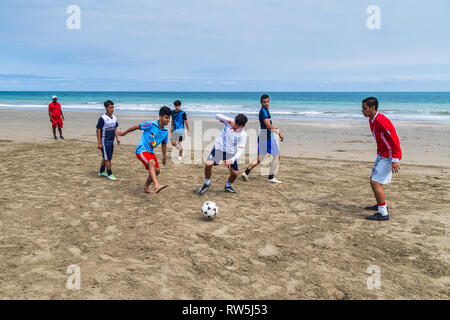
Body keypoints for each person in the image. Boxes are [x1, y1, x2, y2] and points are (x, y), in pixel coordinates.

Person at [361, 97, 402, 221]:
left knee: (376, 182)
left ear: (373, 108)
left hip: (389, 156)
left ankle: (383, 213)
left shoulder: (381, 120)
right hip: (381, 154)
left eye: (364, 108)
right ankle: (380, 204)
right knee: (373, 180)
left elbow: (394, 138)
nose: (362, 111)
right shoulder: (371, 119)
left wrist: (395, 159)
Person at [119, 106, 171, 194]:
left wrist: (164, 157)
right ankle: (157, 185)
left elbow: (164, 145)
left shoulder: (165, 132)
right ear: (160, 117)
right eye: (166, 117)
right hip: (141, 150)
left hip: (150, 152)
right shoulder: (151, 124)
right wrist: (124, 133)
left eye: (169, 118)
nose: (168, 120)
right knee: (152, 163)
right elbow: (137, 127)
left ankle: (145, 188)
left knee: (157, 171)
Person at [198, 113, 248, 194]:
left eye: (238, 125)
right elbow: (216, 115)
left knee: (235, 173)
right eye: (235, 123)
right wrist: (228, 120)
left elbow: (240, 150)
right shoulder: (229, 123)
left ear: (242, 126)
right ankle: (207, 183)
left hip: (229, 153)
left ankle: (228, 185)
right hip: (218, 148)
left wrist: (231, 160)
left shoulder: (243, 135)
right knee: (208, 164)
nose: (235, 126)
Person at [241, 94, 284, 183]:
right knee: (277, 156)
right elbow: (268, 125)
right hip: (267, 137)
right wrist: (279, 132)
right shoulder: (264, 111)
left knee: (260, 158)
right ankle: (271, 177)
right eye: (264, 102)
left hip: (263, 136)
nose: (266, 103)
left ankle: (246, 173)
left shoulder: (265, 110)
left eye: (267, 101)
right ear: (261, 102)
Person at [96, 100, 120, 181]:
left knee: (105, 157)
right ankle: (110, 174)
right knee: (108, 158)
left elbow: (115, 128)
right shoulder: (102, 118)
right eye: (110, 108)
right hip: (105, 141)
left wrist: (117, 138)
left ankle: (101, 171)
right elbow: (98, 130)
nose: (112, 109)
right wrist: (99, 143)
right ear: (106, 108)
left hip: (111, 140)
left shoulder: (114, 117)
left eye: (113, 107)